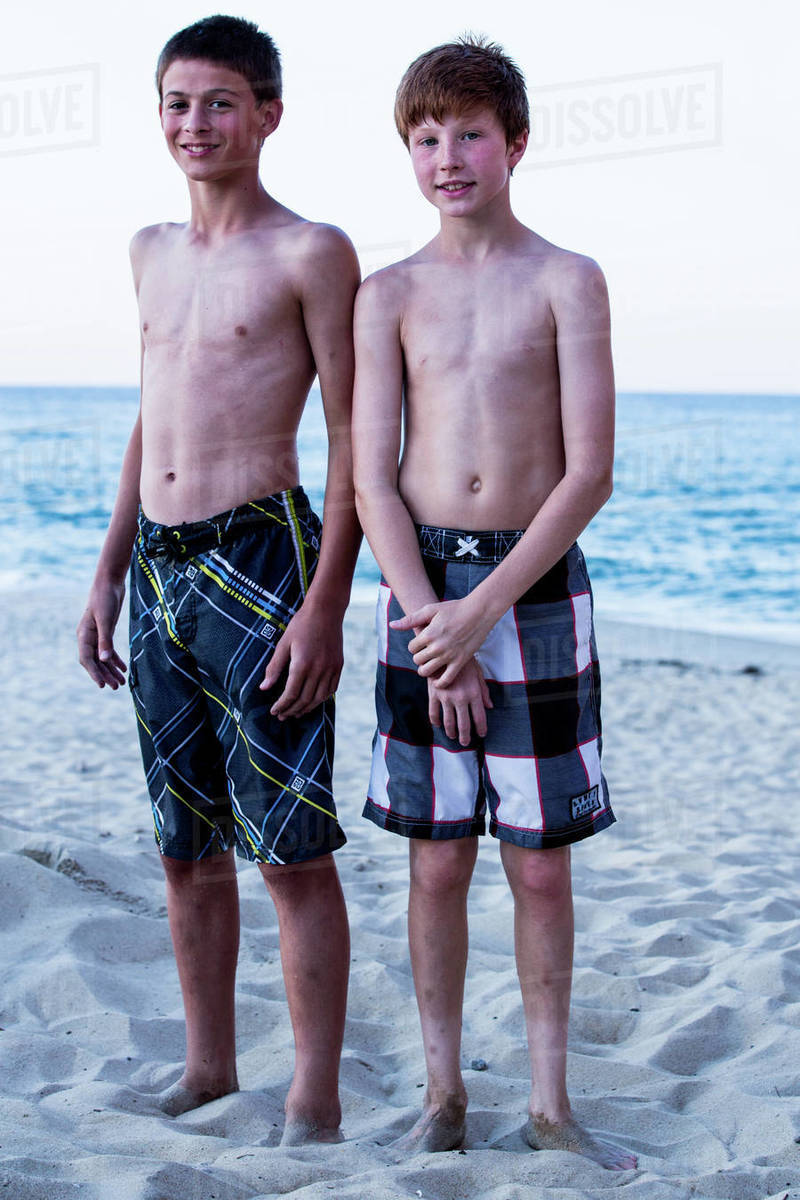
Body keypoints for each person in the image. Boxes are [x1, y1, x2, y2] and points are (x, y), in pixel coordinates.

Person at [352, 36, 636, 1170]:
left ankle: (550, 1103)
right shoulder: (389, 293)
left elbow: (588, 472)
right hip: (421, 589)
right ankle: (439, 1093)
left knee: (537, 860)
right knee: (433, 859)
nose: (447, 156)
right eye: (425, 138)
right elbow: (372, 475)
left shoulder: (567, 279)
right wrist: (435, 624)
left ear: (514, 143)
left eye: (468, 133)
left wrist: (485, 617)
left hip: (531, 589)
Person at [77, 15, 361, 1145]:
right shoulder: (148, 248)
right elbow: (153, 413)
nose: (195, 124)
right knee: (183, 844)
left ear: (268, 115)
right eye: (177, 103)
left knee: (290, 848)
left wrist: (329, 603)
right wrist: (104, 572)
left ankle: (315, 1094)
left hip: (260, 556)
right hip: (156, 560)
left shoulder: (310, 251)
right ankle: (207, 1066)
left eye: (219, 103)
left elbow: (350, 435)